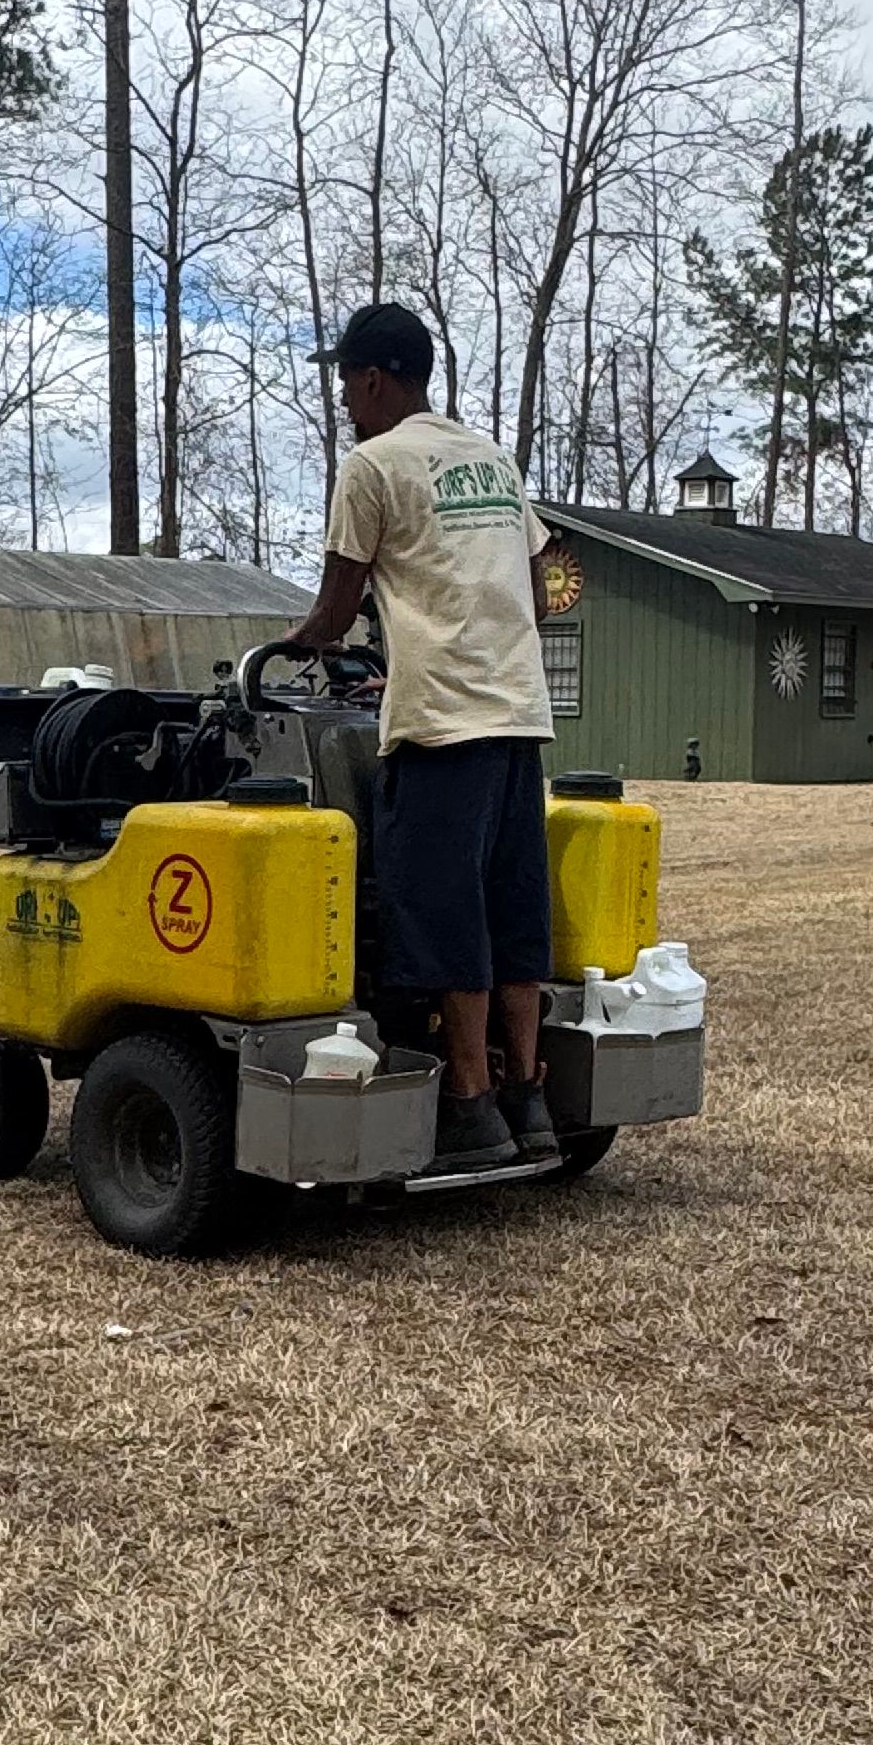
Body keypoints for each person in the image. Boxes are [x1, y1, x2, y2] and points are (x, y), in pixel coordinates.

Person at [289, 300, 565, 1180]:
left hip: (443, 723)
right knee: (512, 907)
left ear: (374, 379)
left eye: (345, 384)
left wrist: (295, 647)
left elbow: (335, 612)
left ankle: (470, 1105)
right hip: (519, 713)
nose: (343, 402)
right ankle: (531, 1095)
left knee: (445, 915)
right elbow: (541, 585)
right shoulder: (492, 457)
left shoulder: (372, 465)